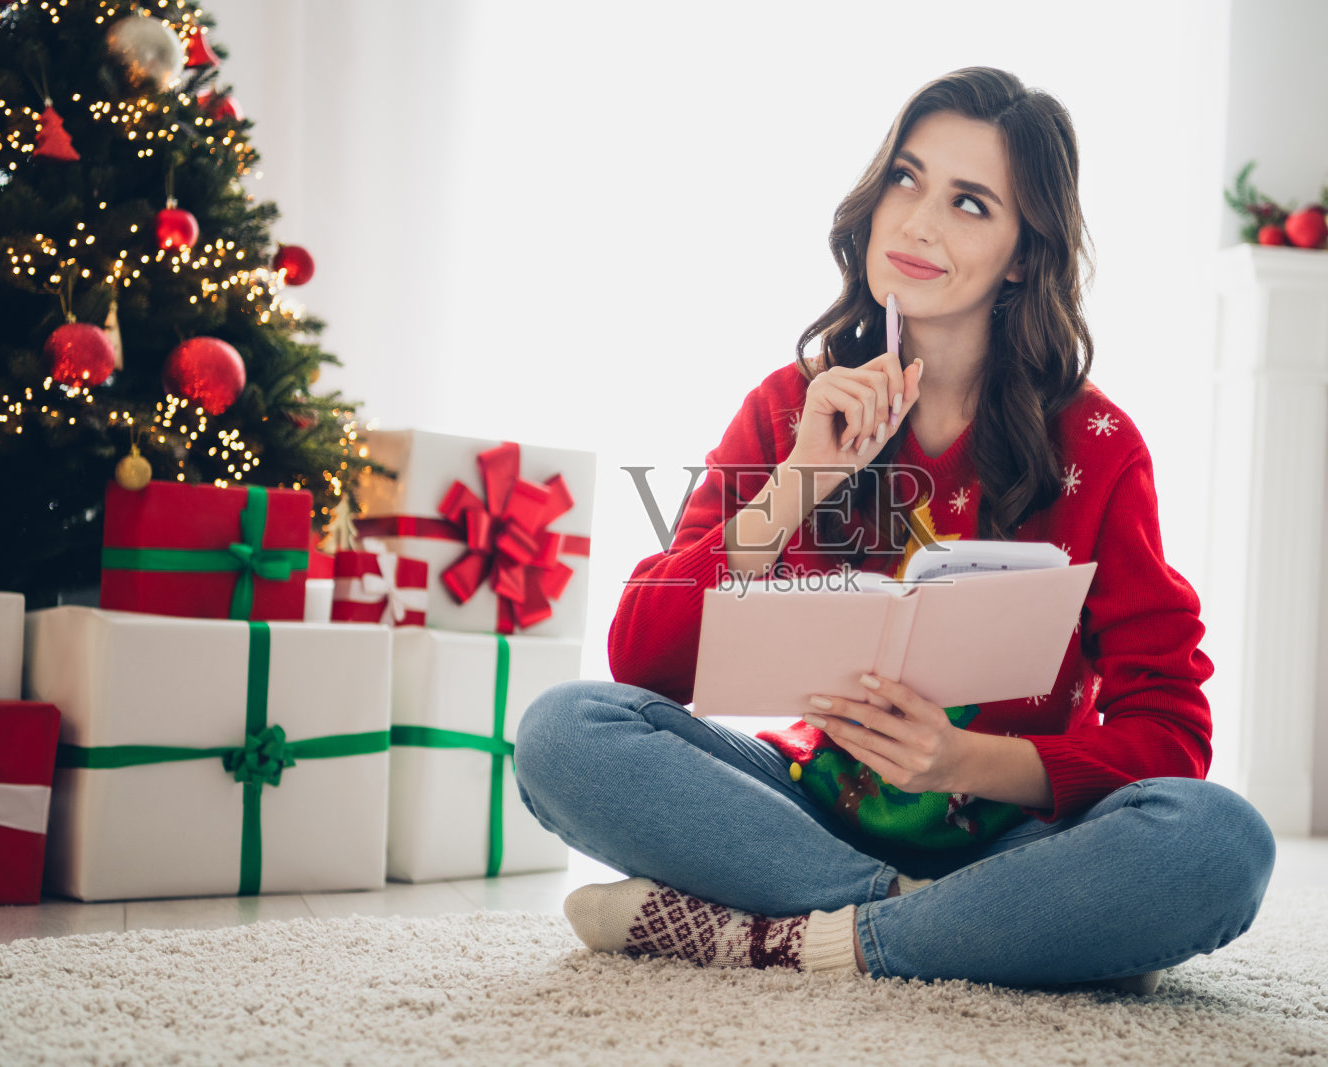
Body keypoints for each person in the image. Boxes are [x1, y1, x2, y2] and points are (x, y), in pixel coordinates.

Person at [513, 66, 1275, 993]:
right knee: (563, 730)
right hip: (805, 814)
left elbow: (1170, 731)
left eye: (969, 202)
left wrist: (962, 759)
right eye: (906, 179)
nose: (917, 222)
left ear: (1025, 254)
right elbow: (643, 658)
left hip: (1017, 839)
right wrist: (797, 482)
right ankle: (936, 927)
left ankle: (798, 936)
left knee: (1221, 842)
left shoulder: (1096, 446)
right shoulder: (794, 407)